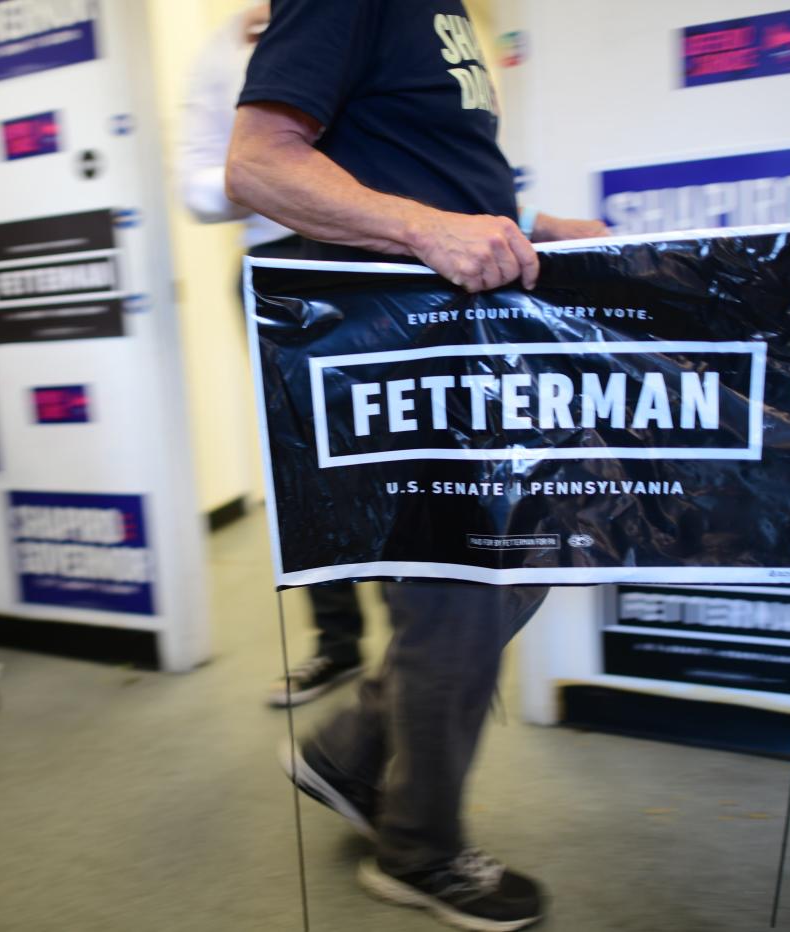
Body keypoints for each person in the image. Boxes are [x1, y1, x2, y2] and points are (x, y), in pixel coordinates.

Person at [227, 2, 606, 929]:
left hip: (457, 332)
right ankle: (417, 850)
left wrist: (524, 228)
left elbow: (413, 157)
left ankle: (354, 751)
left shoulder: (446, 9)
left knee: (511, 569)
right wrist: (428, 233)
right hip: (399, 339)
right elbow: (257, 163)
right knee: (460, 593)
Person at [177, 1, 369, 708]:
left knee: (404, 450)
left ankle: (423, 646)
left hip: (380, 254)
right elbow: (195, 186)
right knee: (304, 468)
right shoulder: (223, 46)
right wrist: (268, 174)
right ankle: (338, 644)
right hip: (276, 266)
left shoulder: (367, 17)